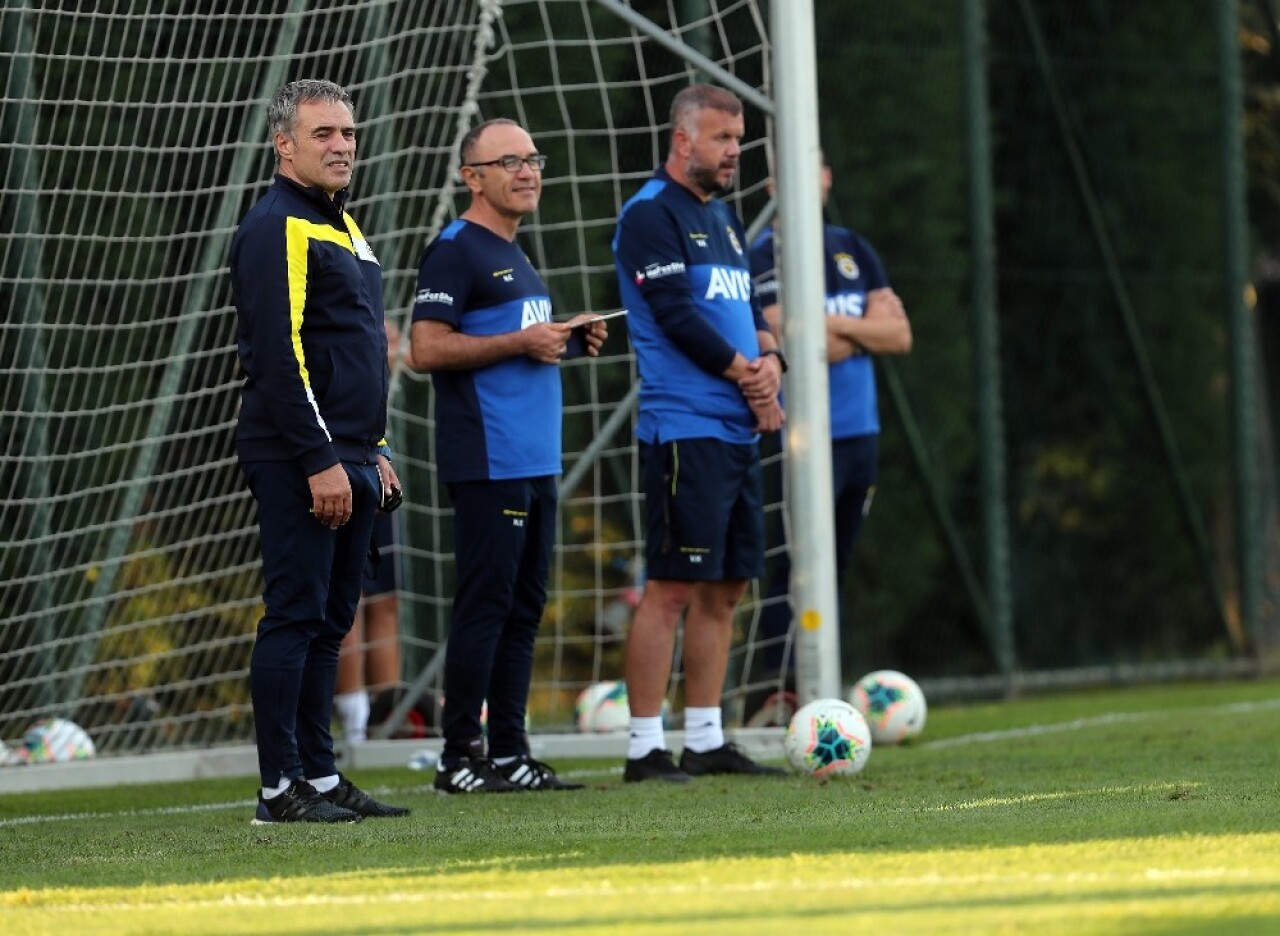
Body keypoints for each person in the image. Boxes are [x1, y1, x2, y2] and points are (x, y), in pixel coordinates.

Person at [230, 78, 410, 823]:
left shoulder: (344, 225)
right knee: (295, 614)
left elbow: (357, 347)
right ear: (284, 146)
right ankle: (280, 790)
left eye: (348, 134)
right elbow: (278, 358)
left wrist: (375, 448)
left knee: (333, 620)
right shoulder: (277, 225)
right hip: (299, 454)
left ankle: (322, 776)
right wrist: (319, 458)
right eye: (323, 135)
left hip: (353, 453)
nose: (341, 146)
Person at [410, 117, 607, 794]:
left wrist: (566, 339)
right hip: (487, 458)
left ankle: (510, 751)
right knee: (485, 606)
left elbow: (516, 341)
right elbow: (426, 349)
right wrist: (524, 344)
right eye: (510, 161)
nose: (528, 172)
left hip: (535, 458)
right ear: (473, 177)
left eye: (533, 159)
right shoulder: (455, 251)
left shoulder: (516, 254)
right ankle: (458, 757)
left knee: (524, 609)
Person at [611, 84, 787, 783]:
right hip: (683, 430)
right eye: (721, 139)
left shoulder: (725, 218)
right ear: (683, 140)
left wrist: (770, 360)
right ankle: (644, 747)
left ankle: (707, 738)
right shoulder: (650, 215)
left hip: (739, 431)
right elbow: (679, 317)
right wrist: (751, 376)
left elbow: (751, 307)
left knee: (729, 586)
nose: (732, 152)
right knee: (673, 586)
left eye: (737, 141)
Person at [747, 153, 912, 717]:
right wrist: (858, 330)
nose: (803, 181)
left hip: (858, 431)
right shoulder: (763, 254)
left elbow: (899, 335)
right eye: (789, 172)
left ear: (827, 177)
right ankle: (777, 689)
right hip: (796, 436)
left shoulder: (851, 249)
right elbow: (778, 336)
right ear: (773, 185)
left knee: (836, 561)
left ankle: (823, 680)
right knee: (791, 563)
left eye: (813, 168)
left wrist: (829, 324)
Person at [335, 320, 406, 744]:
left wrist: (394, 345)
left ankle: (388, 717)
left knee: (385, 599)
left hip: (376, 463)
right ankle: (355, 722)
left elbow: (398, 347)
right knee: (349, 600)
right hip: (337, 461)